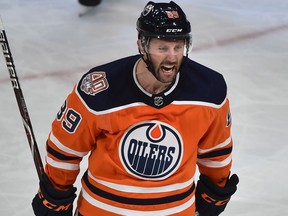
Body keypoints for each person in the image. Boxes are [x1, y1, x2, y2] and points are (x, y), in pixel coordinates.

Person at [32, 1, 239, 215]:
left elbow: (216, 154)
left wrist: (213, 196)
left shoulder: (209, 91)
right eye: (162, 48)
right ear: (142, 45)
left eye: (178, 47)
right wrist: (55, 198)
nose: (172, 57)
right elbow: (65, 150)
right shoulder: (99, 89)